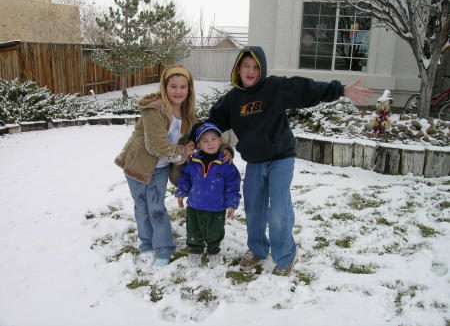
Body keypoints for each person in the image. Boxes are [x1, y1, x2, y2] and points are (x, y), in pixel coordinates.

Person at [201, 45, 373, 276]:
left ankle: (286, 255)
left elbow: (305, 89)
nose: (251, 71)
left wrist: (339, 90)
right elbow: (211, 125)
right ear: (238, 69)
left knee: (278, 211)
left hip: (281, 158)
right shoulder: (232, 100)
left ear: (261, 69)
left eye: (255, 67)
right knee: (253, 208)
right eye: (246, 66)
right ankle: (258, 250)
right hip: (255, 161)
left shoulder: (274, 88)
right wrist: (195, 139)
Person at [114, 65, 196, 268]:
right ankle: (147, 243)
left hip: (160, 169)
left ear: (189, 88)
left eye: (183, 86)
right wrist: (183, 152)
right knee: (141, 207)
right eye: (173, 86)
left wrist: (222, 147)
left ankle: (164, 248)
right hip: (137, 165)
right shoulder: (155, 109)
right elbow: (156, 145)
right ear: (164, 87)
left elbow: (197, 134)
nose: (178, 91)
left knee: (156, 208)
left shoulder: (187, 112)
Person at [176, 122, 241, 268]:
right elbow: (185, 178)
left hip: (216, 207)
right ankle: (195, 250)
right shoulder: (192, 161)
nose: (210, 143)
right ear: (198, 145)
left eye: (213, 139)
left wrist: (232, 203)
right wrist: (181, 193)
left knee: (215, 232)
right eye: (204, 140)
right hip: (195, 205)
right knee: (194, 230)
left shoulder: (226, 164)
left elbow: (232, 186)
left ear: (220, 141)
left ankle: (213, 251)